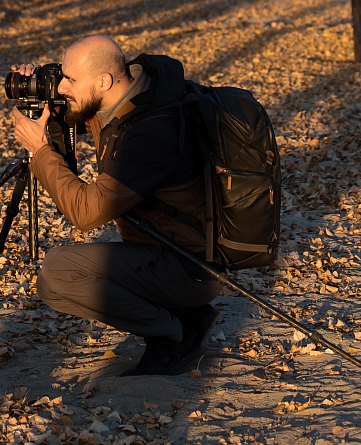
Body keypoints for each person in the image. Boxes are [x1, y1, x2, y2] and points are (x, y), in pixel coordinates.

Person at [11, 33, 218, 377]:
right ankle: (182, 313)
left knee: (59, 271)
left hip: (190, 267)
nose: (63, 88)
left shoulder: (149, 134)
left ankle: (176, 332)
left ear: (104, 80)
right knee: (53, 279)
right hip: (173, 251)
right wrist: (41, 92)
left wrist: (40, 151)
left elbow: (84, 213)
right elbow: (78, 117)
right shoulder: (132, 99)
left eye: (69, 80)